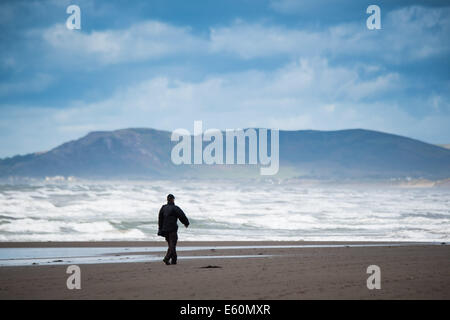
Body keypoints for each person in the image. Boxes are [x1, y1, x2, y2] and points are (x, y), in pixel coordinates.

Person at [157, 194, 190, 265]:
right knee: (172, 245)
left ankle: (174, 260)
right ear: (173, 199)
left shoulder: (163, 208)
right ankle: (167, 258)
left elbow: (160, 219)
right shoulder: (175, 208)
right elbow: (182, 216)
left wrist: (160, 229)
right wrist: (186, 223)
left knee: (171, 245)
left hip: (165, 229)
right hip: (172, 229)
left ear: (167, 199)